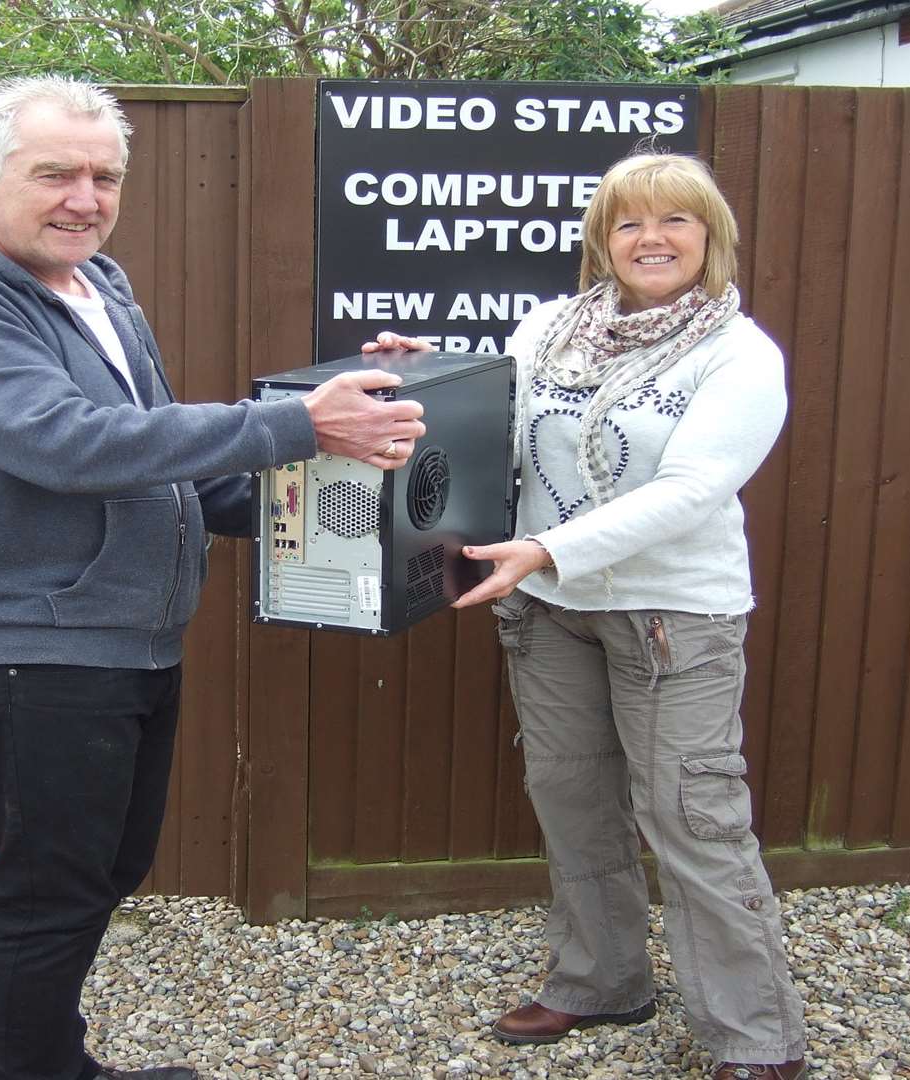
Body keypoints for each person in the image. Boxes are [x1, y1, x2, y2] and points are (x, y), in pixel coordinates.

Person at [0, 76, 425, 1080]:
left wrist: (344, 479)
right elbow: (71, 445)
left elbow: (162, 464)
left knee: (98, 874)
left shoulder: (96, 286)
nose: (84, 197)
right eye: (55, 174)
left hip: (126, 633)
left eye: (103, 176)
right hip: (29, 647)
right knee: (49, 890)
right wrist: (305, 423)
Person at [367, 152, 806, 1079]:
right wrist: (425, 370)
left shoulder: (739, 353)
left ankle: (758, 1036)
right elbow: (492, 406)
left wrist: (550, 548)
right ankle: (603, 979)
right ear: (602, 241)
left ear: (711, 236)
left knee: (692, 817)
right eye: (628, 223)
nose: (651, 239)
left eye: (674, 221)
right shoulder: (551, 327)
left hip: (669, 615)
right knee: (571, 801)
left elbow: (693, 488)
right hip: (549, 609)